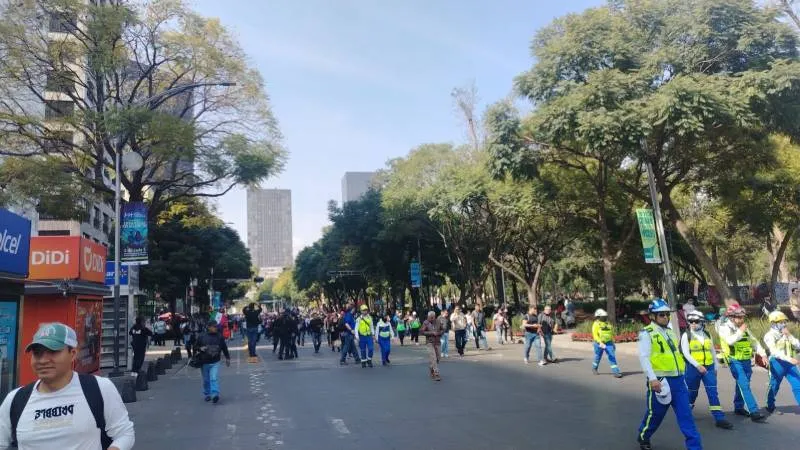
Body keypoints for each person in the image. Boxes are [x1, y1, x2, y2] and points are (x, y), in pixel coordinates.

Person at [0, 322, 135, 450]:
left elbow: (124, 433)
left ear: (73, 354)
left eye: (53, 352)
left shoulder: (99, 388)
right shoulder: (15, 400)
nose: (43, 360)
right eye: (37, 353)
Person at [636, 299, 702, 450]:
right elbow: (644, 357)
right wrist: (652, 379)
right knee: (655, 416)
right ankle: (643, 436)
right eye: (661, 315)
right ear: (653, 316)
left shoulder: (671, 332)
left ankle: (695, 447)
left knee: (687, 418)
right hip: (661, 381)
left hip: (678, 381)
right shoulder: (647, 333)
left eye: (667, 314)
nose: (665, 317)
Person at [680, 310, 733, 430]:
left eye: (696, 321)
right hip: (693, 369)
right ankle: (686, 413)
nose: (693, 324)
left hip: (708, 368)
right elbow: (686, 353)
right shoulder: (686, 335)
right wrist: (697, 365)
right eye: (691, 321)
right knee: (692, 392)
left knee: (713, 392)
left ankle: (719, 418)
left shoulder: (707, 335)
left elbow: (713, 351)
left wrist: (715, 366)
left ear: (702, 322)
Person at [718, 303, 768, 422]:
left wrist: (763, 354)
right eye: (739, 317)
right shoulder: (724, 328)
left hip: (746, 361)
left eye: (743, 317)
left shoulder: (744, 327)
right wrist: (740, 331)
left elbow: (755, 342)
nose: (742, 319)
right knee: (744, 385)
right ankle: (754, 411)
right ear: (732, 317)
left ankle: (738, 407)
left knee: (741, 385)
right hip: (734, 360)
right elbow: (730, 341)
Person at [763, 310, 800, 413]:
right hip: (777, 363)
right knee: (774, 385)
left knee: (798, 384)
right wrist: (789, 359)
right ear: (773, 323)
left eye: (784, 322)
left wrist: (789, 335)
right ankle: (770, 405)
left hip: (789, 364)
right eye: (781, 322)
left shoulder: (786, 334)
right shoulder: (769, 336)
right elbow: (774, 351)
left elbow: (797, 344)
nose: (783, 324)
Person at [193, 320, 231, 403]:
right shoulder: (202, 336)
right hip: (204, 362)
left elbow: (224, 348)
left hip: (215, 362)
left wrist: (227, 358)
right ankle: (207, 394)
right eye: (214, 326)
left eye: (216, 326)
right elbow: (195, 347)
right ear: (209, 327)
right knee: (206, 380)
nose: (216, 328)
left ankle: (215, 394)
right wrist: (200, 348)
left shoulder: (219, 336)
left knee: (213, 378)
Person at [591, 309, 622, 378]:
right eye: (603, 316)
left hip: (608, 343)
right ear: (598, 317)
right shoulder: (596, 324)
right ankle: (594, 368)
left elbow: (610, 334)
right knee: (598, 356)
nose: (605, 318)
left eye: (605, 316)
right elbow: (595, 335)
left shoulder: (608, 323)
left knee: (612, 356)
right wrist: (600, 342)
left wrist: (612, 343)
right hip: (599, 343)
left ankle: (616, 372)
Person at [420, 311, 443, 381]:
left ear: (434, 317)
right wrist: (431, 333)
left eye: (432, 318)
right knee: (433, 357)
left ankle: (431, 367)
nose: (430, 319)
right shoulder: (426, 322)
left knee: (438, 358)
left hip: (437, 342)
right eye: (429, 318)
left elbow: (442, 330)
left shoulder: (438, 322)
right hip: (430, 342)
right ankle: (436, 373)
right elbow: (422, 332)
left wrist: (439, 333)